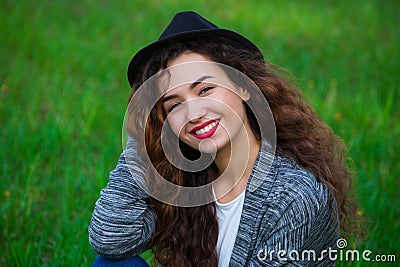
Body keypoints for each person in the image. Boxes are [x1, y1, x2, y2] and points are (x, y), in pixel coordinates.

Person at [89, 11, 360, 266]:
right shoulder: (186, 181)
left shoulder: (294, 197)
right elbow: (111, 239)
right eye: (174, 106)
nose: (193, 113)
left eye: (205, 89)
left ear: (243, 86)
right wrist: (146, 137)